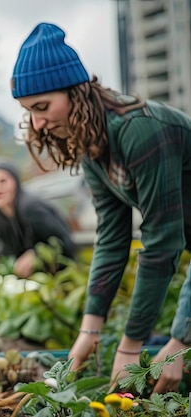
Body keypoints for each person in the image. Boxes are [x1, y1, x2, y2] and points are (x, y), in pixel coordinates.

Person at [11, 22, 191, 393]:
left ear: (76, 93)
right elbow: (111, 238)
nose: (38, 123)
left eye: (43, 107)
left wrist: (139, 346)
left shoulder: (139, 130)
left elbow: (161, 244)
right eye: (29, 111)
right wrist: (89, 331)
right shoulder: (93, 144)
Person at [0, 158, 76, 278]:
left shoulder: (31, 208)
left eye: (3, 181)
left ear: (16, 182)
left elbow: (63, 241)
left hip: (57, 274)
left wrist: (36, 255)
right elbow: (10, 244)